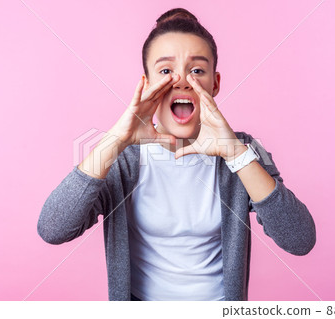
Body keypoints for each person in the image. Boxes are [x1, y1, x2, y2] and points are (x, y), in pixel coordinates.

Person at [37, 8, 316, 301]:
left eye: (197, 70)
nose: (182, 81)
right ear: (146, 84)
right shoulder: (124, 159)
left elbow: (299, 239)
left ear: (215, 83)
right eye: (166, 71)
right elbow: (53, 229)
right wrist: (117, 140)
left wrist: (235, 152)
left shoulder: (246, 151)